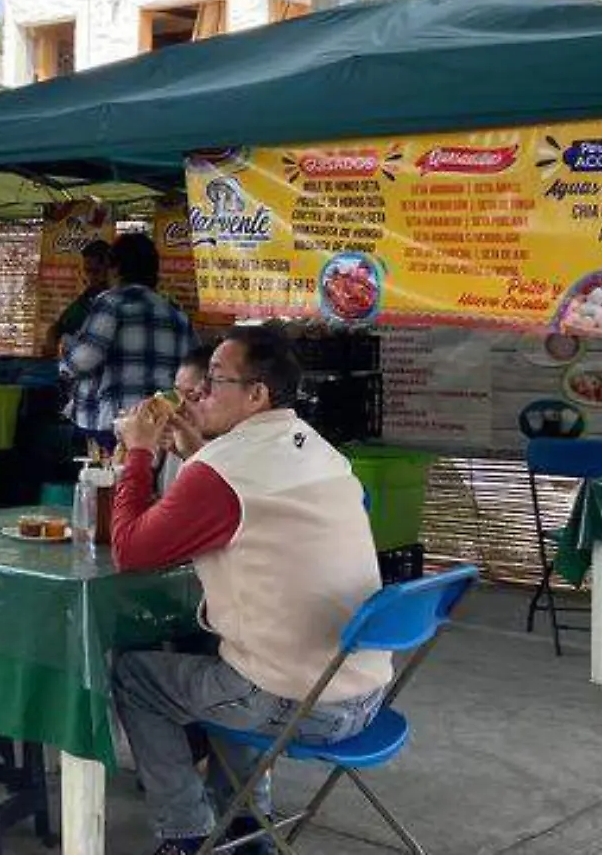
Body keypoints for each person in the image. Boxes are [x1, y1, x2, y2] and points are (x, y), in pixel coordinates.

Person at [109, 326, 388, 854]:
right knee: (220, 655)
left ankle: (187, 833)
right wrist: (195, 452)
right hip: (364, 694)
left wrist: (138, 454)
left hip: (297, 705)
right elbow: (242, 497)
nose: (198, 396)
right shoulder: (318, 448)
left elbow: (131, 550)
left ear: (257, 394)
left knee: (135, 676)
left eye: (214, 382)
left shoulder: (224, 469)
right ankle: (246, 823)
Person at [61, 232, 193, 456]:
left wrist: (65, 356)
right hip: (160, 428)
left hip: (113, 425)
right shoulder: (176, 314)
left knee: (108, 487)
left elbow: (83, 361)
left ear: (115, 269)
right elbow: (191, 371)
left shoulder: (111, 303)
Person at [155, 344, 215, 496]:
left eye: (192, 396)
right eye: (176, 395)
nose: (181, 407)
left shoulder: (227, 447)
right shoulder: (175, 435)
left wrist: (192, 455)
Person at [44, 239, 112, 353]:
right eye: (87, 271)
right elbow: (60, 327)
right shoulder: (88, 297)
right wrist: (51, 340)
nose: (90, 277)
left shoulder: (119, 300)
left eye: (96, 271)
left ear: (111, 269)